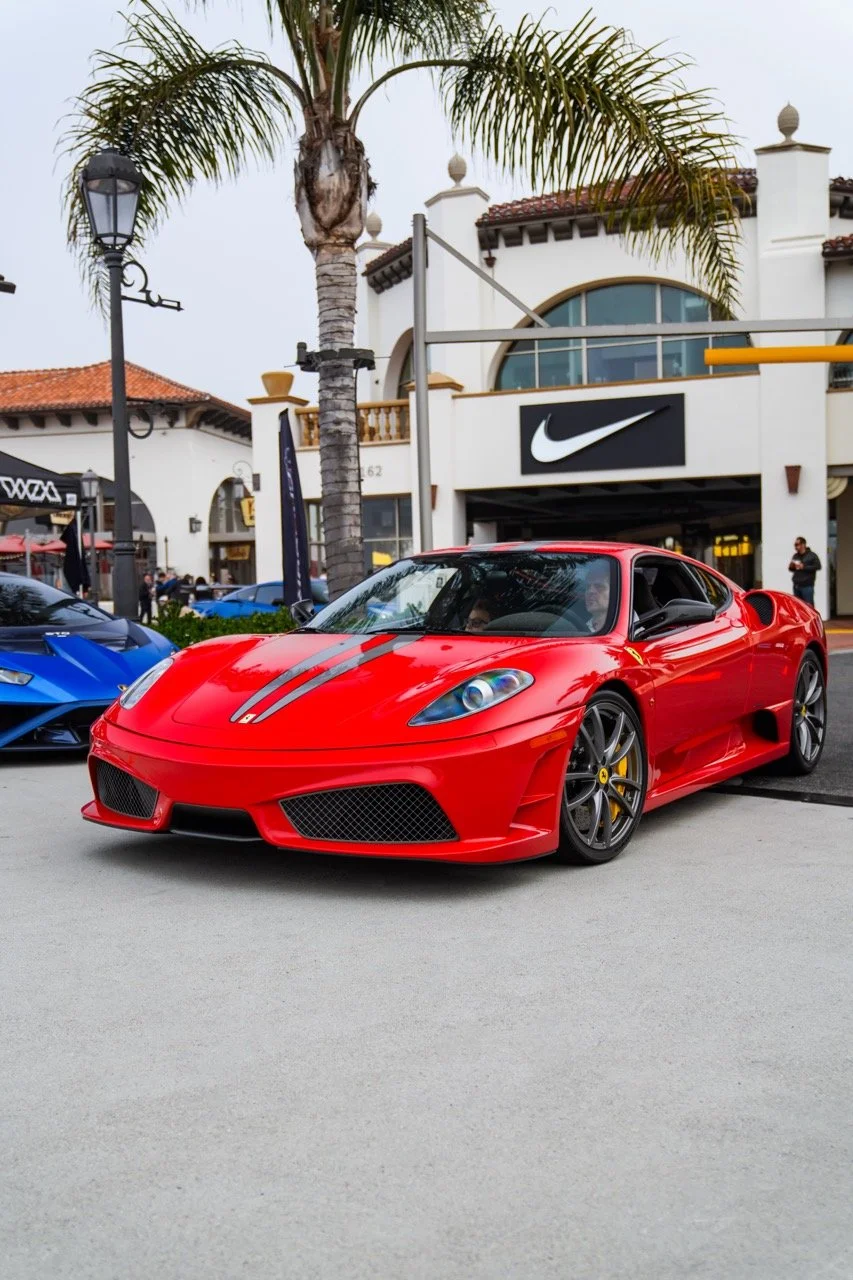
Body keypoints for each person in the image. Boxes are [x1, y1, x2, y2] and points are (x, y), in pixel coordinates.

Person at [788, 537, 821, 607]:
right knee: (798, 607)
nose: (795, 547)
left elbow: (818, 566)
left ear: (803, 545)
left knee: (808, 607)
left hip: (807, 586)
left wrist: (804, 567)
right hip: (796, 586)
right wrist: (791, 567)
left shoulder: (812, 555)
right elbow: (791, 569)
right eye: (795, 545)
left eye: (797, 544)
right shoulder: (795, 555)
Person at [583, 565, 612, 633]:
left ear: (615, 592)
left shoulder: (633, 630)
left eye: (599, 586)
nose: (590, 591)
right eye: (588, 587)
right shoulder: (579, 628)